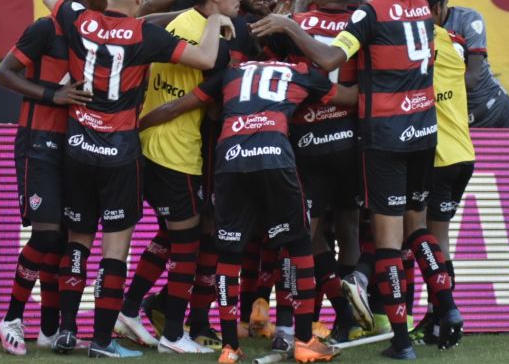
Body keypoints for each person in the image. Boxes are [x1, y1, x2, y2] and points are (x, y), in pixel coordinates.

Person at [251, 0, 463, 359]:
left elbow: (328, 57)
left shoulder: (362, 14)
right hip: (422, 133)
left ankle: (394, 340)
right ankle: (448, 308)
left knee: (378, 242)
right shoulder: (420, 2)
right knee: (412, 230)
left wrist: (291, 25)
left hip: (376, 135)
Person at [41, 0, 233, 358]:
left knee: (78, 241)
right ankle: (102, 340)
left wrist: (84, 10)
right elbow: (206, 59)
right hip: (120, 153)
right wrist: (213, 20)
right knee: (115, 250)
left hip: (78, 149)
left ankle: (65, 331)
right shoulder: (143, 34)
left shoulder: (80, 19)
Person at [138, 59, 357, 364]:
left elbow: (179, 106)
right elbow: (349, 97)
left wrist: (132, 127)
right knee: (298, 245)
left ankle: (230, 348)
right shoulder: (299, 71)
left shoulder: (231, 72)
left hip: (231, 158)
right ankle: (305, 339)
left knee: (228, 254)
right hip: (274, 156)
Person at [114, 0, 241, 354]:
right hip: (174, 152)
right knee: (187, 243)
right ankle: (172, 335)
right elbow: (212, 106)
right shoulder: (204, 36)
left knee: (171, 236)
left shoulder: (186, 22)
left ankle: (131, 309)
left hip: (155, 147)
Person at [0, 0, 105, 356]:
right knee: (45, 233)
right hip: (38, 142)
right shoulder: (45, 28)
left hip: (76, 145)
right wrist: (52, 95)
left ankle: (49, 328)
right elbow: (3, 74)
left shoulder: (94, 34)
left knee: (60, 238)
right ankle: (11, 318)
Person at [263, 0, 359, 347]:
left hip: (307, 140)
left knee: (303, 235)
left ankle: (286, 327)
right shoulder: (363, 22)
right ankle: (349, 312)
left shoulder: (297, 21)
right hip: (352, 140)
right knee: (350, 227)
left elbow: (273, 58)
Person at [406, 0, 475, 345]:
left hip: (433, 156)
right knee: (439, 241)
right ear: (438, 7)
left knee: (413, 235)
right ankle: (437, 319)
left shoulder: (404, 46)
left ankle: (444, 310)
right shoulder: (456, 43)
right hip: (462, 155)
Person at [418, 0, 509, 128]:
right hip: (460, 122)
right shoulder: (414, 29)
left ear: (440, 5)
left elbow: (472, 79)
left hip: (496, 109)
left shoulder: (468, 19)